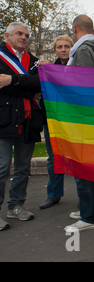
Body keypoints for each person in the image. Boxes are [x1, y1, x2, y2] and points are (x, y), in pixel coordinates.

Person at [64, 15, 94, 233]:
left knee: (83, 165)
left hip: (83, 117)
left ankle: (90, 215)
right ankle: (90, 208)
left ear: (74, 29)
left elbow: (81, 85)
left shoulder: (83, 51)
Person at [0, 22, 44, 231]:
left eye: (27, 35)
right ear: (7, 35)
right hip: (4, 120)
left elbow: (39, 84)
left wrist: (13, 80)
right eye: (19, 34)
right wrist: (26, 86)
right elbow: (29, 87)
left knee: (22, 168)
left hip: (27, 122)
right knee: (1, 168)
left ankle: (15, 206)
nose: (24, 37)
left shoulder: (34, 61)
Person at [39, 35, 74, 210]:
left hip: (74, 121)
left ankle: (85, 198)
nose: (62, 49)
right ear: (55, 50)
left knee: (77, 157)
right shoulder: (49, 69)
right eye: (59, 46)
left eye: (66, 46)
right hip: (53, 120)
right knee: (53, 159)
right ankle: (53, 194)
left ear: (72, 48)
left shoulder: (77, 67)